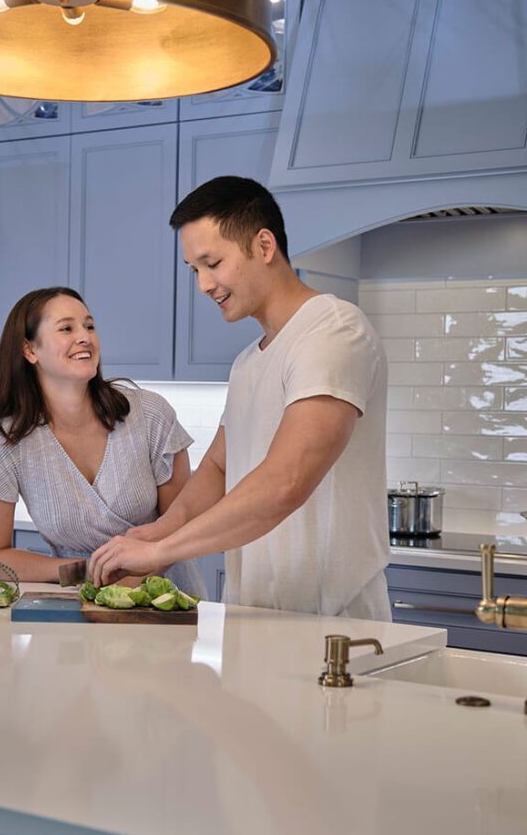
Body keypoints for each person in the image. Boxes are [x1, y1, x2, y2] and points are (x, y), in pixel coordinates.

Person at [90, 177, 391, 620]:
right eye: (194, 269)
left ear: (264, 245)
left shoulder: (333, 331)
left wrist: (164, 551)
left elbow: (285, 483)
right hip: (256, 616)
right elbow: (218, 466)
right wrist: (156, 533)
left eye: (212, 263)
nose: (203, 285)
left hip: (332, 626)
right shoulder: (248, 362)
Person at [0, 286, 204, 595]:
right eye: (67, 328)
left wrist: (131, 578)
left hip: (166, 600)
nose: (84, 337)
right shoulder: (7, 441)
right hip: (75, 602)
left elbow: (181, 528)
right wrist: (86, 572)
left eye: (89, 326)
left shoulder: (149, 415)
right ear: (30, 350)